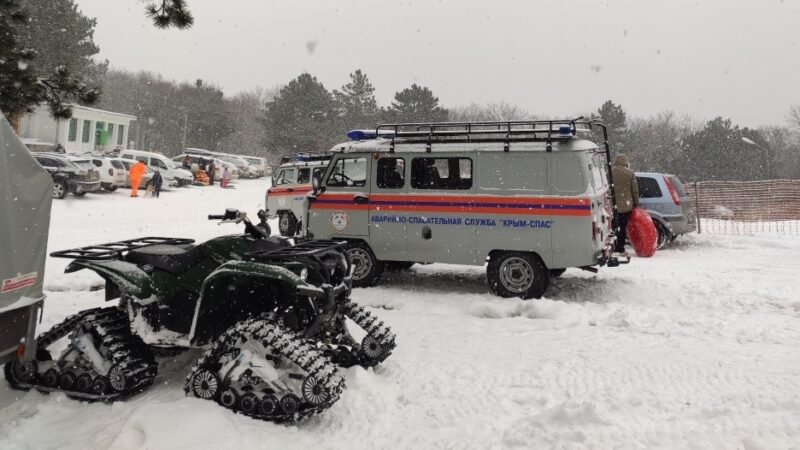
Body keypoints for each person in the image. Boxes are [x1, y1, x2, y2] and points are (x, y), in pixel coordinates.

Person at [611, 154, 640, 257]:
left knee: (613, 227)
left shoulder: (610, 172)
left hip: (612, 206)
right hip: (626, 206)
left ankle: (611, 247)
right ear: (625, 162)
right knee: (622, 228)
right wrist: (636, 203)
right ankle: (620, 248)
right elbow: (635, 190)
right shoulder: (630, 173)